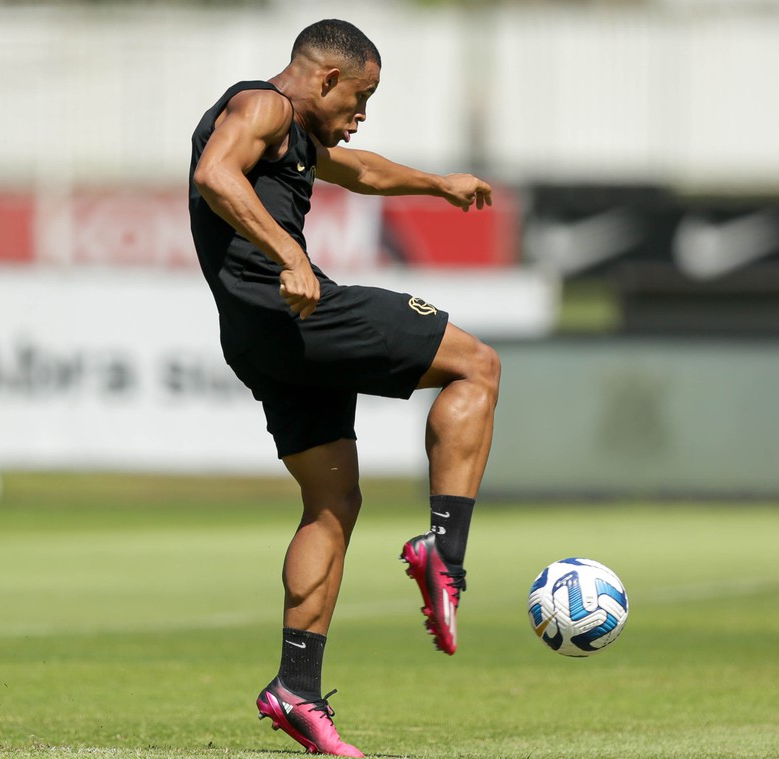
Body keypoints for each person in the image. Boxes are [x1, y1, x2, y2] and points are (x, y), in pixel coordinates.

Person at [188, 19, 500, 757]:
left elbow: (359, 170)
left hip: (261, 339)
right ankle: (445, 552)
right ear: (327, 78)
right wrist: (290, 254)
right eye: (361, 96)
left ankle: (295, 689)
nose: (362, 113)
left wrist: (438, 184)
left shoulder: (296, 136)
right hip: (295, 310)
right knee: (477, 365)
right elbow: (214, 175)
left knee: (331, 504)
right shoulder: (262, 106)